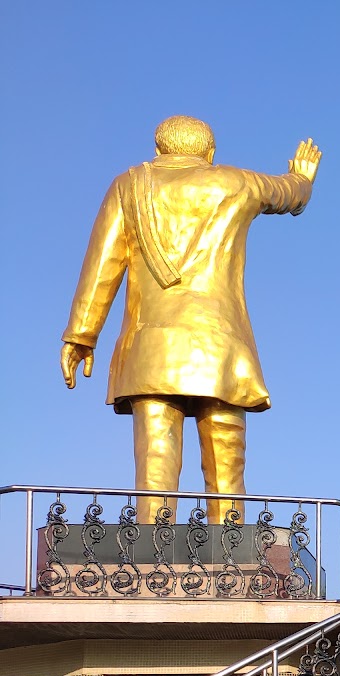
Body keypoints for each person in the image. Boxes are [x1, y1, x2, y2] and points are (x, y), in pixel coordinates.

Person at [61, 116, 322, 522]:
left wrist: (82, 334)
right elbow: (289, 194)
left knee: (156, 459)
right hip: (220, 348)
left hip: (153, 348)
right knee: (226, 459)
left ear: (159, 149)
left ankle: (153, 549)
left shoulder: (129, 185)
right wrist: (301, 176)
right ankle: (232, 548)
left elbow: (102, 265)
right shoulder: (235, 182)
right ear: (210, 154)